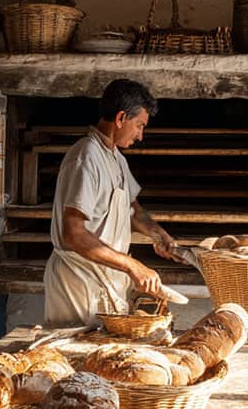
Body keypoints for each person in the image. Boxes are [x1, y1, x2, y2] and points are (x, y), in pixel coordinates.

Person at [42, 78, 182, 327]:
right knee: (76, 357)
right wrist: (132, 266)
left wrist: (158, 234)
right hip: (80, 281)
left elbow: (132, 208)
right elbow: (73, 234)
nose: (141, 135)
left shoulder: (116, 157)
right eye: (139, 125)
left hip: (106, 278)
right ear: (120, 118)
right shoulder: (86, 157)